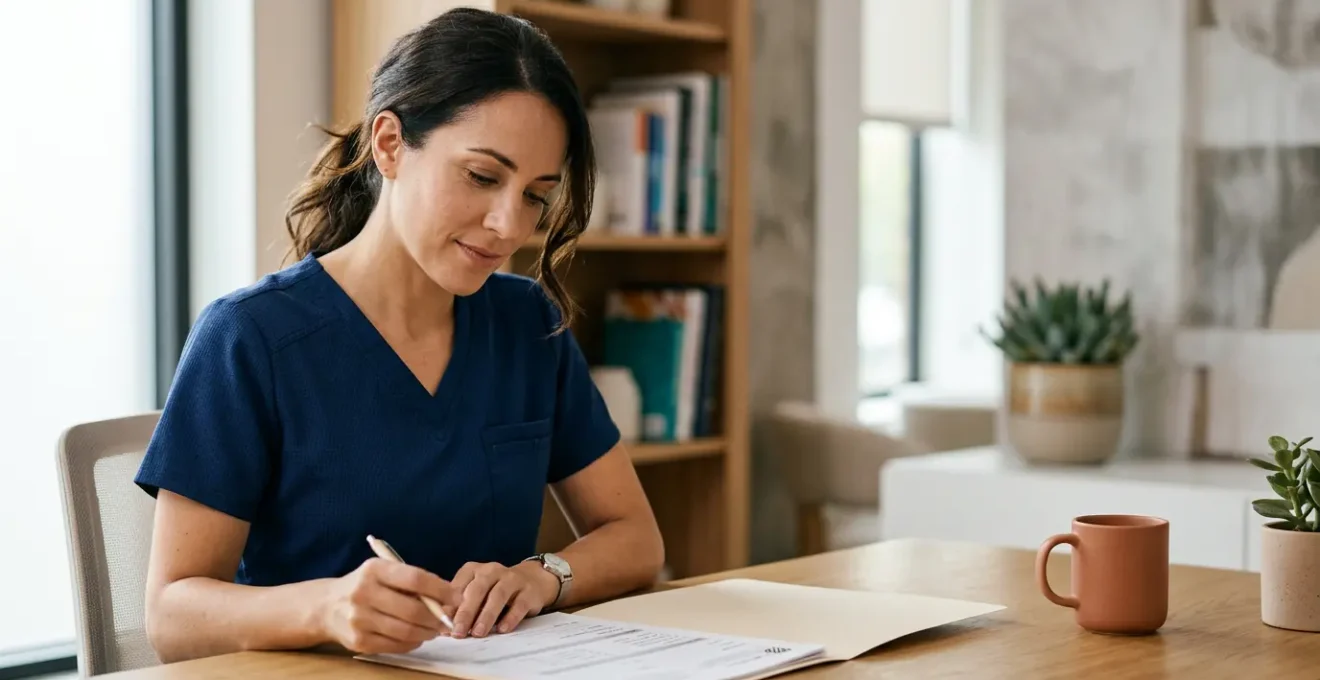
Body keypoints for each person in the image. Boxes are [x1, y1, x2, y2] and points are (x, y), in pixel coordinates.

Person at [134, 7, 664, 663]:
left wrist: (542, 577)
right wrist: (325, 608)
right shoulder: (250, 338)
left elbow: (636, 538)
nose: (507, 225)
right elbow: (171, 616)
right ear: (389, 144)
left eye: (536, 195)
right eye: (481, 176)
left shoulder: (529, 323)